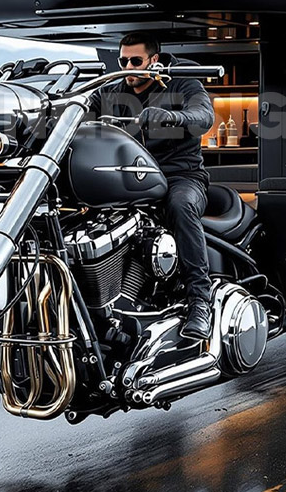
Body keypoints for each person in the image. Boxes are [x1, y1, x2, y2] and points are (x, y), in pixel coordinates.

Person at [92, 32, 215, 340]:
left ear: (154, 60)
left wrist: (172, 117)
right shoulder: (112, 90)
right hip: (130, 180)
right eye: (123, 61)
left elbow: (204, 115)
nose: (128, 67)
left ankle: (200, 300)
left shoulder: (183, 82)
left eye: (135, 61)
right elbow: (78, 110)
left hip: (180, 177)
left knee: (180, 205)